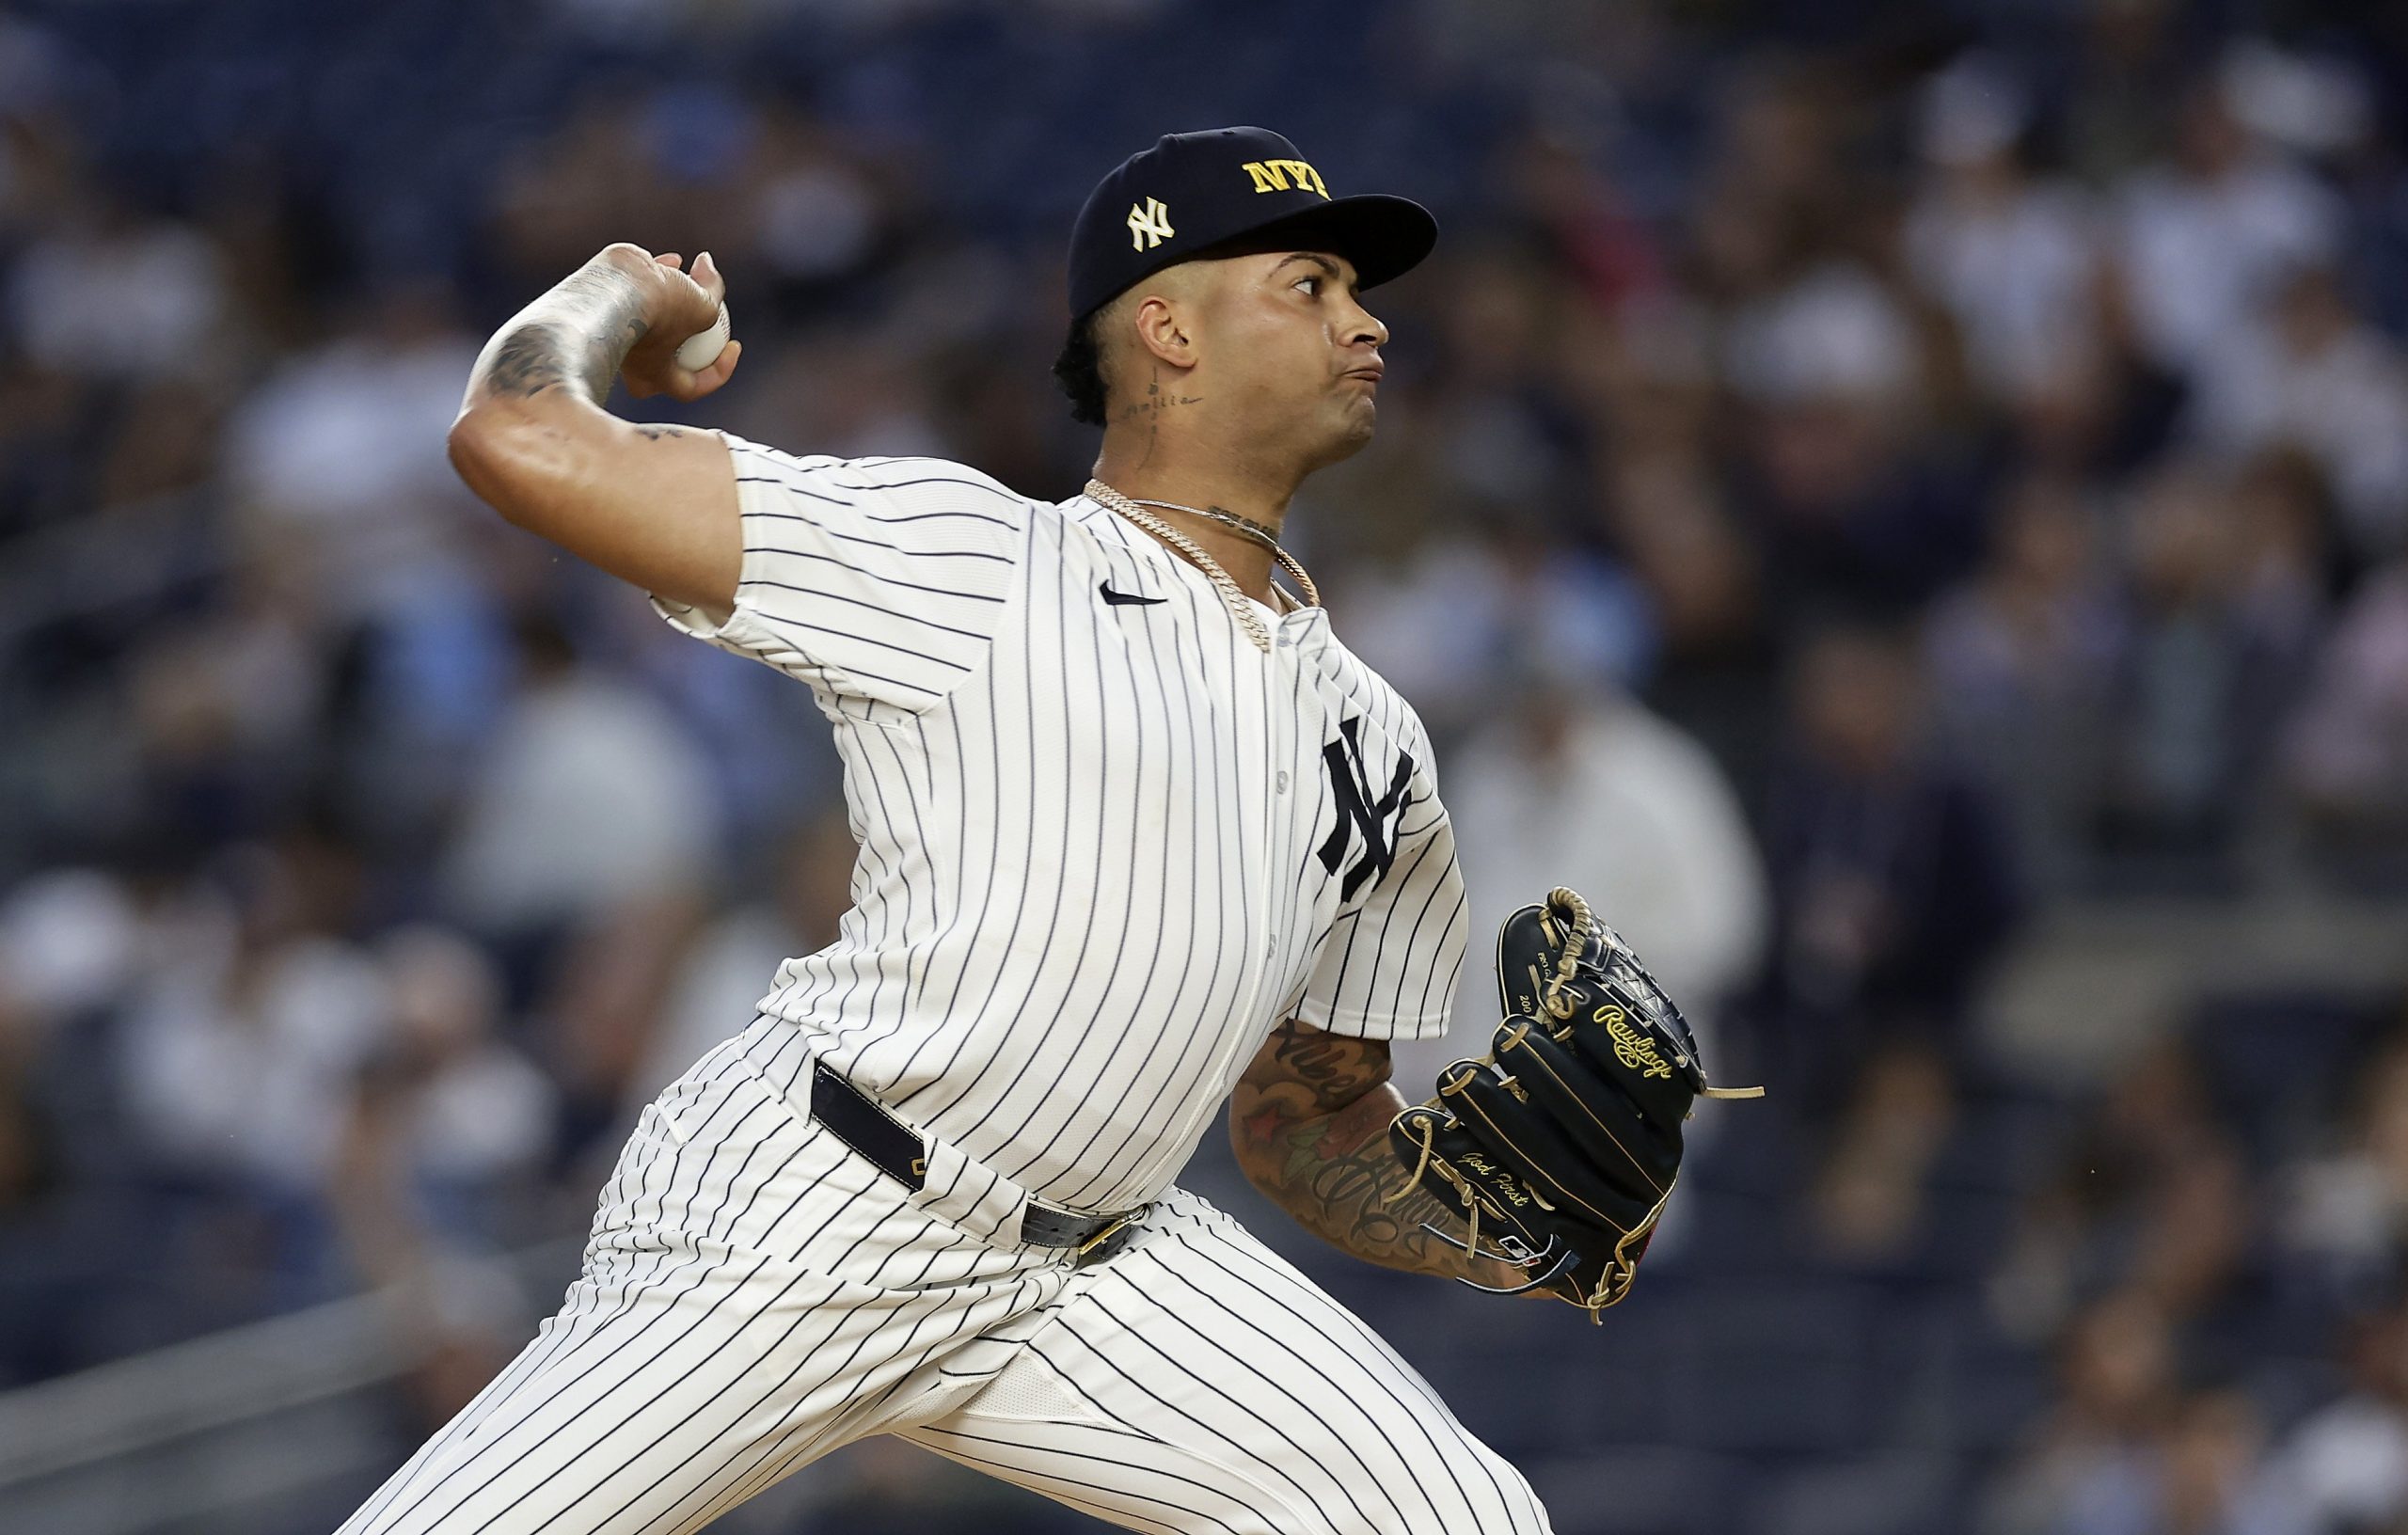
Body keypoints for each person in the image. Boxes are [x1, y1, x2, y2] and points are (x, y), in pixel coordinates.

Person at [338, 127, 1553, 1534]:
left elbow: (1308, 1122)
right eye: (1312, 283)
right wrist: (616, 292)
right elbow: (517, 434)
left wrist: (1489, 1221)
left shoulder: (1380, 738)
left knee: (1466, 1520)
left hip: (1102, 1266)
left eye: (1359, 291)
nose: (1367, 319)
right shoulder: (975, 561)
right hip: (818, 1204)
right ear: (1168, 328)